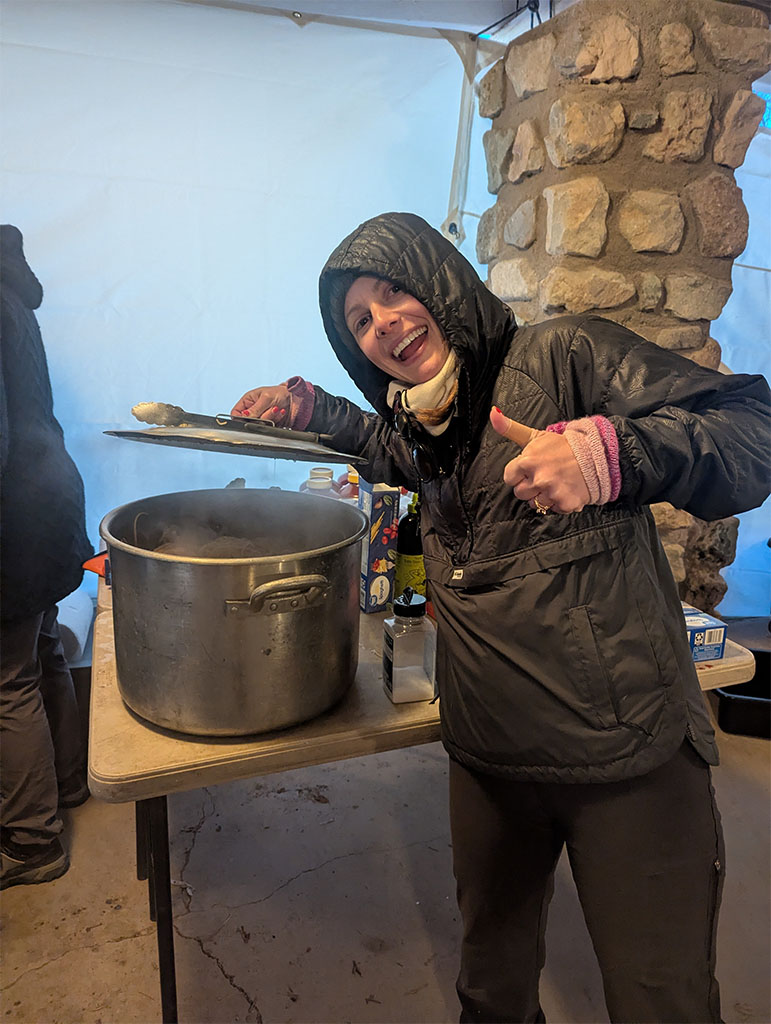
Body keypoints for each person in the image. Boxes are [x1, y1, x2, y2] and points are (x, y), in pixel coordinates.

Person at [231, 212, 770, 1023]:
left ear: (439, 283)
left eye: (392, 292)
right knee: (489, 991)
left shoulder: (561, 355)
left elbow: (749, 432)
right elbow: (386, 447)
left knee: (661, 1000)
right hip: (488, 754)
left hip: (623, 754)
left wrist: (613, 455)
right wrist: (308, 407)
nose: (384, 324)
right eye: (359, 322)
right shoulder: (424, 422)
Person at [1, 224, 93, 890]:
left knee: (6, 682)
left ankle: (32, 843)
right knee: (41, 650)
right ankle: (68, 782)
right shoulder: (10, 290)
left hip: (13, 504)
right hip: (50, 489)